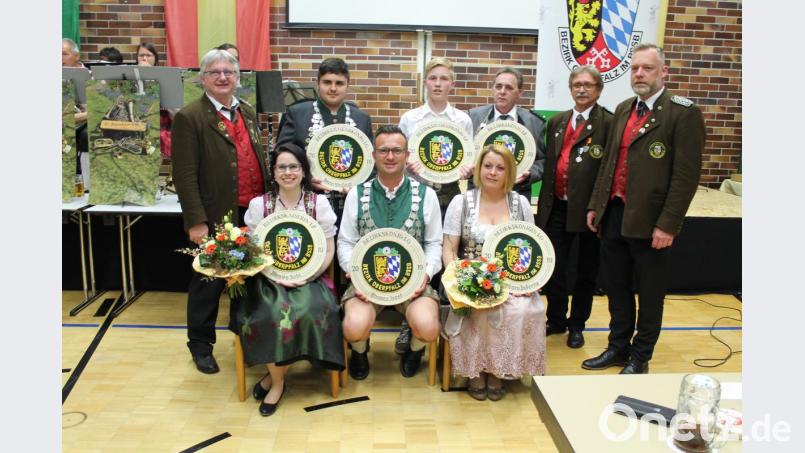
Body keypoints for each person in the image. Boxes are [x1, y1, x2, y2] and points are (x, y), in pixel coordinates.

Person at [582, 43, 704, 374]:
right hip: (615, 214)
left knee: (649, 294)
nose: (639, 74)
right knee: (616, 287)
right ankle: (618, 347)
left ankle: (641, 356)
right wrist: (596, 205)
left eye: (647, 68)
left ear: (663, 72)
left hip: (652, 222)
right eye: (635, 68)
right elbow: (609, 163)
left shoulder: (683, 113)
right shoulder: (623, 108)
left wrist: (669, 224)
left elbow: (686, 177)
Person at [173, 49, 269, 374]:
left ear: (238, 77)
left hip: (251, 213)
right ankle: (200, 346)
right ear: (203, 78)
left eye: (229, 72)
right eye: (215, 72)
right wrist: (196, 221)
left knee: (247, 280)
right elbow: (184, 175)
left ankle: (244, 339)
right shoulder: (190, 117)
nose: (223, 77)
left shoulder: (248, 112)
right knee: (208, 283)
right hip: (216, 215)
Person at [232, 143, 344, 417]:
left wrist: (309, 274)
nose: (288, 172)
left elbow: (328, 249)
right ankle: (278, 382)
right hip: (266, 278)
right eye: (281, 167)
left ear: (304, 171)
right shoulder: (260, 205)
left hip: (310, 277)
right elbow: (253, 251)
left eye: (294, 166)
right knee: (271, 313)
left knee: (309, 310)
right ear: (273, 172)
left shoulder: (319, 204)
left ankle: (273, 376)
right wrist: (274, 275)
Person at [441, 143, 547, 401]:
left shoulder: (521, 204)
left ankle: (498, 370)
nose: (492, 172)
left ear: (509, 172)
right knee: (479, 309)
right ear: (478, 169)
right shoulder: (460, 202)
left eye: (500, 168)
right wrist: (458, 282)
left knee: (522, 309)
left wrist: (530, 282)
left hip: (511, 281)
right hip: (470, 278)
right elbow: (449, 249)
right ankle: (476, 371)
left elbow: (532, 247)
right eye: (487, 166)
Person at [337, 125, 442, 380]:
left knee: (428, 327)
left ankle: (415, 350)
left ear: (407, 155)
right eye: (384, 150)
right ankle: (360, 350)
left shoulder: (427, 195)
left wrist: (426, 275)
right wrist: (354, 273)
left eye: (397, 150)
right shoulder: (356, 194)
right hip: (366, 283)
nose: (390, 156)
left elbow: (434, 244)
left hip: (412, 282)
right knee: (353, 327)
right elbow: (346, 242)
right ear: (374, 155)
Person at [396, 57, 472, 354]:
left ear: (452, 83)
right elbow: (397, 158)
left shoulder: (462, 120)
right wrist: (407, 166)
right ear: (425, 82)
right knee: (416, 255)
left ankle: (445, 322)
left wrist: (467, 169)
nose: (438, 84)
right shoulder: (410, 119)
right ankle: (409, 322)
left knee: (446, 255)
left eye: (444, 79)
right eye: (433, 78)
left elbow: (468, 157)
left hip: (449, 194)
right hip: (417, 193)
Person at [535, 65, 612, 349]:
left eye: (588, 85)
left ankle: (577, 324)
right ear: (570, 89)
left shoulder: (608, 123)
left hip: (588, 212)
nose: (581, 89)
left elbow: (608, 169)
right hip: (556, 206)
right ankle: (556, 318)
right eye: (577, 84)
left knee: (585, 271)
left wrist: (598, 208)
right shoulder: (557, 121)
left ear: (598, 90)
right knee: (554, 267)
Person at [468, 67, 547, 204]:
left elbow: (542, 161)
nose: (502, 92)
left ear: (520, 92)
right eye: (498, 86)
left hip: (517, 193)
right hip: (479, 193)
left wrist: (529, 174)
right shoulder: (474, 116)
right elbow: (465, 155)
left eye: (509, 88)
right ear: (493, 89)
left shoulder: (534, 122)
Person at [136, 42, 174, 161]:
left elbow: (174, 110)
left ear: (155, 59)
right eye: (141, 55)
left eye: (148, 55)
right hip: (138, 122)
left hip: (162, 124)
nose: (144, 59)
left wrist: (151, 76)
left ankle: (164, 170)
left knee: (164, 139)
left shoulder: (167, 77)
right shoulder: (129, 79)